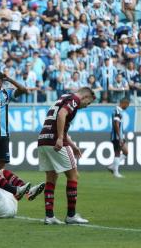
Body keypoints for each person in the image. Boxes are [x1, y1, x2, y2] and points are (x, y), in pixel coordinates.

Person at [37, 87, 96, 225]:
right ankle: (71, 215)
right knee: (73, 175)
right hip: (55, 141)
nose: (86, 107)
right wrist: (60, 138)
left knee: (51, 177)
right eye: (88, 104)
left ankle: (49, 216)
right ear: (85, 97)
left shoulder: (64, 97)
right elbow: (62, 114)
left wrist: (73, 145)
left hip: (43, 140)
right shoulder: (74, 99)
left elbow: (59, 119)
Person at [107, 98, 130, 178]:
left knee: (126, 152)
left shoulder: (118, 111)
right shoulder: (117, 111)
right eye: (127, 104)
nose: (127, 106)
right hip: (117, 136)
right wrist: (119, 137)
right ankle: (115, 172)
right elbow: (116, 124)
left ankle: (112, 166)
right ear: (123, 103)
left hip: (119, 135)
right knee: (117, 152)